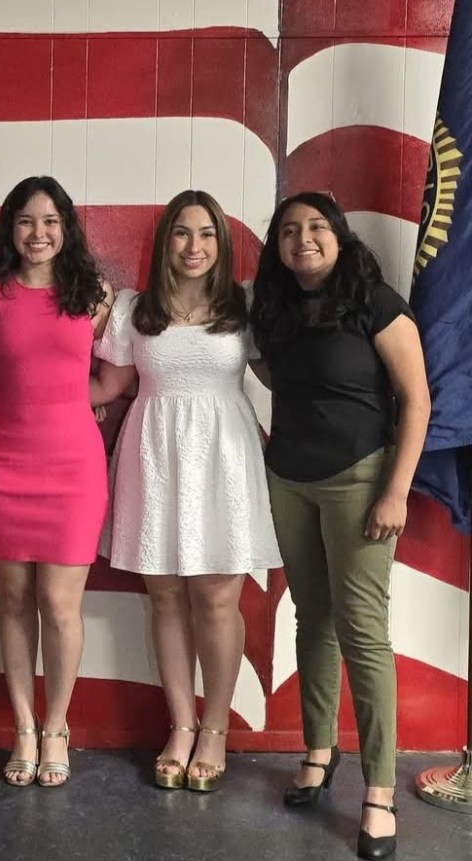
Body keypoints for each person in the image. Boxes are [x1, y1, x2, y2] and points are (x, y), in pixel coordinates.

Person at [250, 192, 430, 860]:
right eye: (289, 231)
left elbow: (416, 400)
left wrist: (396, 491)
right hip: (289, 479)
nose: (303, 239)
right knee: (313, 619)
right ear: (277, 246)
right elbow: (272, 375)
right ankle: (319, 752)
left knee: (362, 632)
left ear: (339, 235)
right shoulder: (274, 309)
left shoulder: (375, 302)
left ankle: (379, 790)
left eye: (316, 227)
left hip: (360, 479)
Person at [90, 190, 282, 792]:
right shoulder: (134, 308)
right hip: (154, 457)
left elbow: (285, 374)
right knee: (167, 598)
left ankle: (215, 727)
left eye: (206, 234)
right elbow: (108, 385)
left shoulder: (244, 304)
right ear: (164, 242)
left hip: (224, 458)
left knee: (218, 599)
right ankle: (180, 725)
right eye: (181, 232)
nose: (193, 246)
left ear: (221, 243)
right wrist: (33, 395)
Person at [0, 176, 113, 788]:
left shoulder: (96, 295)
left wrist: (84, 402)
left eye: (50, 221)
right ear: (10, 228)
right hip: (5, 463)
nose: (38, 233)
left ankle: (57, 725)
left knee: (59, 603)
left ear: (66, 228)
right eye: (26, 221)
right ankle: (23, 727)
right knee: (11, 598)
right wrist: (12, 414)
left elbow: (118, 374)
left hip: (75, 467)